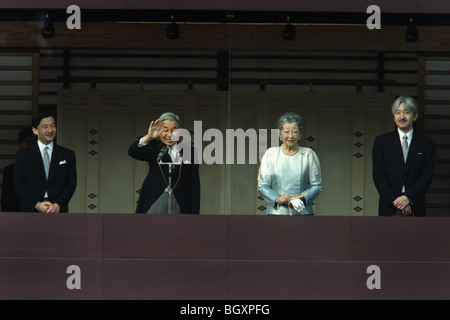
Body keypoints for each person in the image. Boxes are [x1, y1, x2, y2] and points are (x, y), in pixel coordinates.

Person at [372, 96, 435, 216]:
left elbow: (427, 176)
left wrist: (408, 198)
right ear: (394, 117)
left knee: (416, 235)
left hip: (416, 206)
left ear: (415, 116)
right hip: (389, 206)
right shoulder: (382, 141)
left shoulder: (427, 143)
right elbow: (378, 174)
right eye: (397, 112)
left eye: (407, 112)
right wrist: (397, 201)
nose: (402, 117)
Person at [128, 112, 200, 214]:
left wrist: (195, 213)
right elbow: (133, 152)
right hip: (153, 198)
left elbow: (194, 184)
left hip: (181, 202)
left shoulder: (189, 151)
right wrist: (148, 137)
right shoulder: (153, 146)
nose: (169, 135)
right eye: (165, 130)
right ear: (159, 131)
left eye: (174, 130)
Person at [258, 112, 322, 215]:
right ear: (279, 133)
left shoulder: (308, 154)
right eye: (286, 132)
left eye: (295, 132)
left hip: (303, 212)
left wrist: (302, 198)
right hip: (276, 213)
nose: (291, 136)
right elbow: (263, 185)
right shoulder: (271, 154)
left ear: (300, 134)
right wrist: (277, 198)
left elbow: (316, 185)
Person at [14, 112, 77, 213]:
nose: (50, 130)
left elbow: (71, 183)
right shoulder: (23, 155)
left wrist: (58, 204)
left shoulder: (68, 154)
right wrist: (36, 204)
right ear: (35, 130)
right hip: (31, 210)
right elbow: (19, 184)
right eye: (45, 126)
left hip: (58, 210)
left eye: (53, 125)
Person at [1, 127, 36, 212]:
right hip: (16, 215)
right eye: (28, 143)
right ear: (20, 145)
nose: (31, 147)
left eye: (35, 144)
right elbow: (6, 199)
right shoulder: (10, 170)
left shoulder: (46, 168)